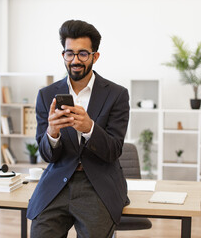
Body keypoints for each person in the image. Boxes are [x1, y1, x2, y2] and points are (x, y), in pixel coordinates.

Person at [27, 19, 130, 238]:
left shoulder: (117, 95)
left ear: (95, 56)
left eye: (83, 54)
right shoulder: (46, 95)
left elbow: (114, 150)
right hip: (58, 182)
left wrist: (90, 128)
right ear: (63, 55)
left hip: (98, 184)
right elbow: (47, 155)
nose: (75, 60)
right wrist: (52, 133)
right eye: (69, 53)